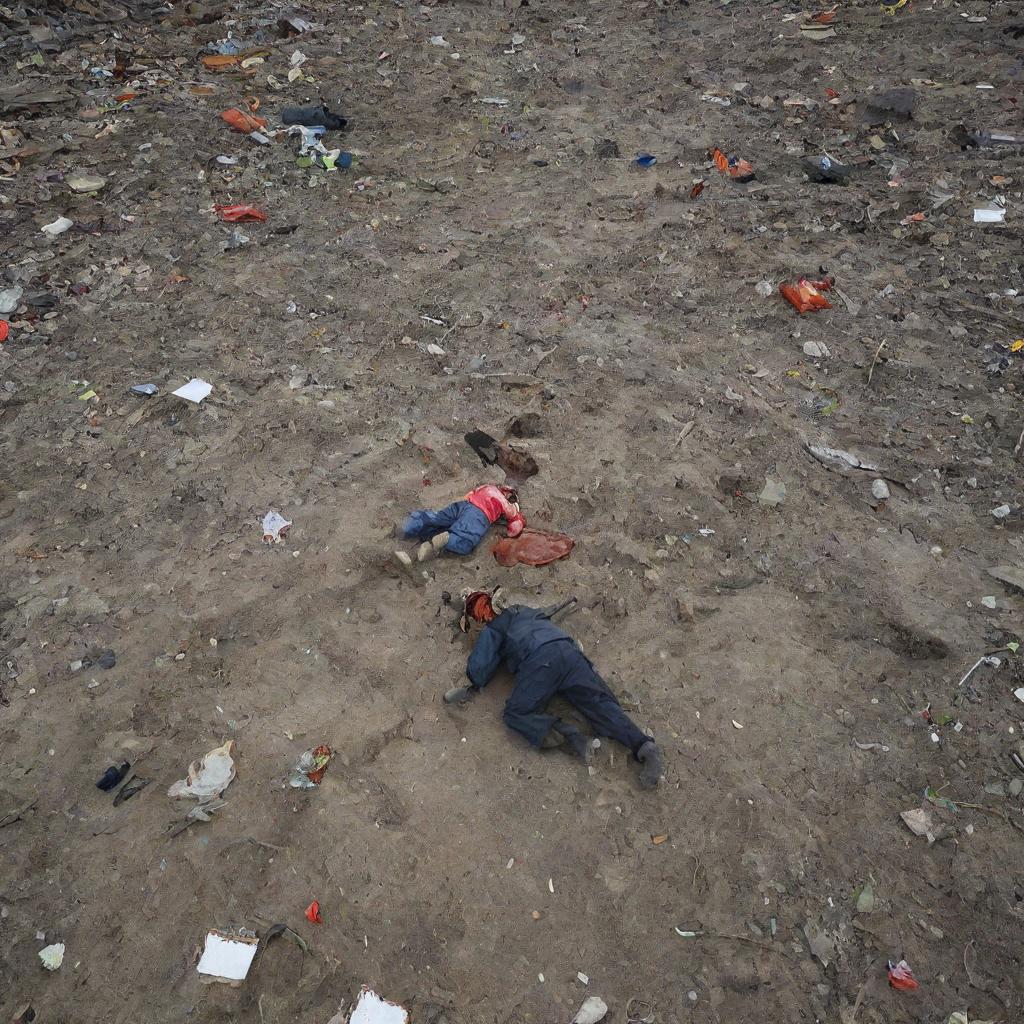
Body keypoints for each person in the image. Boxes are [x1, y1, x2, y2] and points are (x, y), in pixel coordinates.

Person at [446, 591, 664, 789]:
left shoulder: (495, 627)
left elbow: (479, 669)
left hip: (540, 661)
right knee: (598, 702)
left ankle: (572, 737)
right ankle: (643, 746)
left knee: (515, 713)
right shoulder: (528, 612)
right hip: (567, 650)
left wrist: (475, 680)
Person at [395, 484, 524, 576]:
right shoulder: (505, 503)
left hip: (463, 505)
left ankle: (410, 525)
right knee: (465, 541)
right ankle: (445, 540)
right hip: (479, 515)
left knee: (437, 519)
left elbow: (469, 494)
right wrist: (514, 522)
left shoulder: (487, 487)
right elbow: (515, 526)